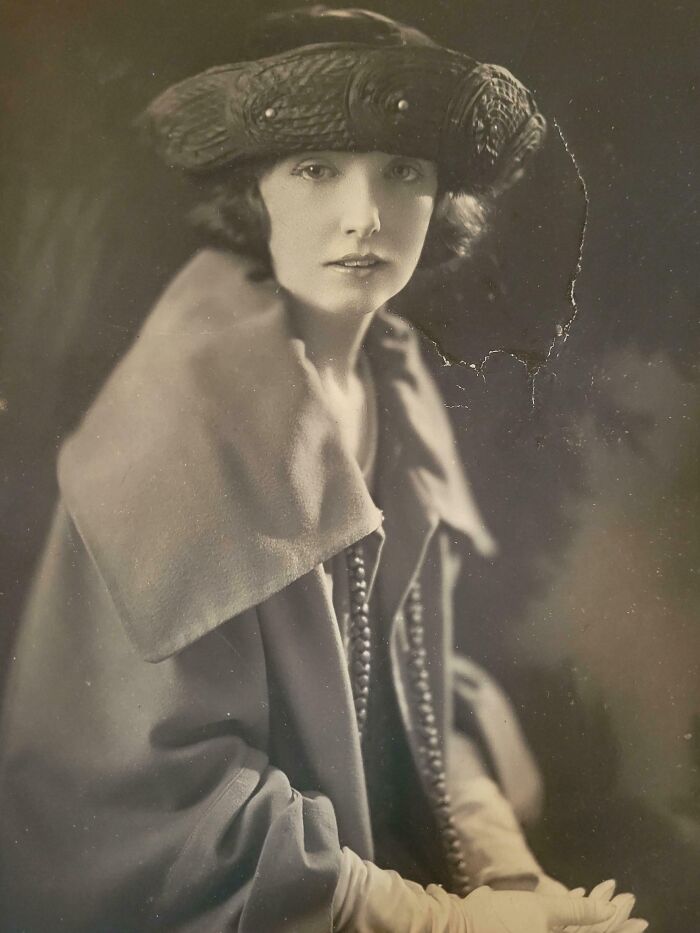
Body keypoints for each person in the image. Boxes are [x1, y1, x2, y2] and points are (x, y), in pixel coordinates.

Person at [0, 7, 646, 932]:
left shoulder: (392, 374)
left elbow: (415, 691)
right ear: (254, 190)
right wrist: (448, 921)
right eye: (315, 169)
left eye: (403, 171)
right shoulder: (184, 412)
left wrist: (506, 873)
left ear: (442, 197)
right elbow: (158, 807)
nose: (365, 216)